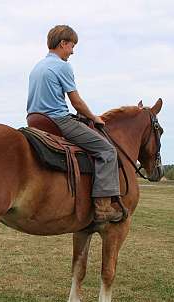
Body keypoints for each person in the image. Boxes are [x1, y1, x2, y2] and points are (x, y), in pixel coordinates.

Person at [27, 24, 123, 223]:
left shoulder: (37, 66)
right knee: (107, 151)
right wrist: (94, 117)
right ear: (62, 44)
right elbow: (76, 102)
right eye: (71, 46)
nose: (72, 51)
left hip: (34, 120)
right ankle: (103, 207)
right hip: (58, 120)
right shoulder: (62, 66)